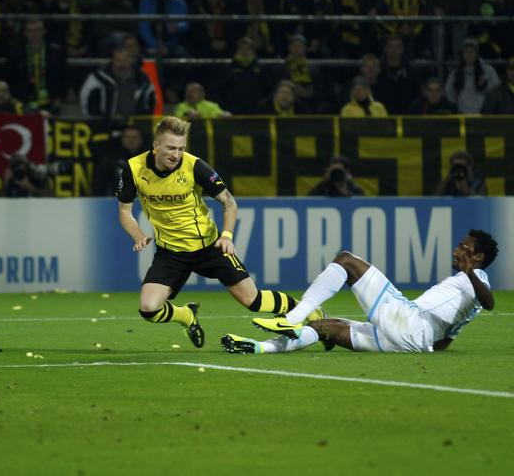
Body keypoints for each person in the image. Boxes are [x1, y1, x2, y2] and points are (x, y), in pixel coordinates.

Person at [116, 116, 321, 348]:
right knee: (149, 309)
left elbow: (229, 202)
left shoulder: (195, 166)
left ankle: (309, 310)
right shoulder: (134, 169)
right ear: (156, 146)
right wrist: (138, 235)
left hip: (209, 246)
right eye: (171, 147)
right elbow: (124, 211)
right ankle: (186, 316)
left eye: (181, 148)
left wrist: (227, 236)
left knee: (253, 300)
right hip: (171, 252)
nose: (176, 154)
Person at [225, 230, 497, 354]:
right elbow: (446, 340)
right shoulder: (465, 293)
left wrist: (469, 270)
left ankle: (292, 317)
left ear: (478, 256)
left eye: (464, 247)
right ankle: (260, 348)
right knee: (321, 327)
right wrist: (425, 347)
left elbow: (490, 302)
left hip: (406, 321)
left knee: (346, 260)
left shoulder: (475, 278)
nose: (457, 250)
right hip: (408, 344)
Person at [79, 47, 157, 120]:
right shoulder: (97, 79)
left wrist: (142, 120)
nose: (121, 64)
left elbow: (151, 100)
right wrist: (99, 121)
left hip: (134, 127)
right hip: (105, 125)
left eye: (124, 61)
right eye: (118, 61)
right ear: (113, 61)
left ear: (130, 61)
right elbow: (86, 102)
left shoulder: (142, 79)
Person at [445, 38, 500, 114]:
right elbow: (449, 93)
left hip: (484, 114)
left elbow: (496, 91)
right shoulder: (455, 73)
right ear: (462, 54)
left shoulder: (488, 71)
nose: (469, 54)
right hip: (462, 115)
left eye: (472, 51)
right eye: (466, 51)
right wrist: (457, 103)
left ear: (477, 53)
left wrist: (485, 86)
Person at [93, 125, 143, 196]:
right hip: (115, 202)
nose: (131, 140)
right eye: (127, 137)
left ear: (141, 140)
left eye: (135, 137)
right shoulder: (110, 159)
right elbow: (99, 184)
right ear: (122, 139)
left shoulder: (149, 159)